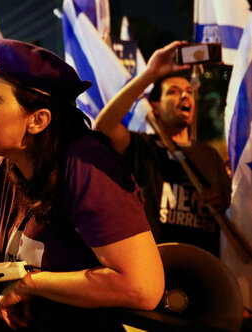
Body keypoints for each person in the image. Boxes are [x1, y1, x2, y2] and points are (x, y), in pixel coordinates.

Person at [0, 39, 164, 330]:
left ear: (38, 120)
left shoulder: (86, 165)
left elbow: (141, 286)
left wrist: (30, 284)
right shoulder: (10, 165)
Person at [93, 41, 231, 256]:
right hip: (154, 261)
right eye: (173, 92)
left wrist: (222, 203)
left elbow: (229, 206)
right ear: (154, 107)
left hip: (203, 266)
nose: (185, 96)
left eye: (188, 91)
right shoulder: (142, 146)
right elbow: (103, 127)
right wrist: (150, 73)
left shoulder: (210, 156)